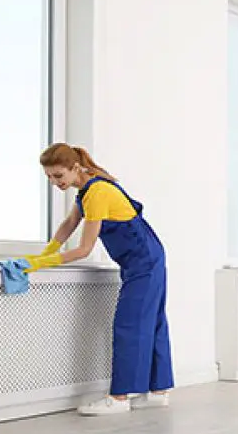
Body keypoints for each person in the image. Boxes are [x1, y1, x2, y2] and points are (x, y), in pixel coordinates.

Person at [24, 143, 173, 416]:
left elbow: (84, 249)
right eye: (49, 177)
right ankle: (158, 392)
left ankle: (118, 398)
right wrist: (45, 252)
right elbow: (69, 225)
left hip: (144, 261)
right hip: (147, 258)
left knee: (129, 325)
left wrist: (39, 264)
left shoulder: (98, 193)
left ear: (75, 168)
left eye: (58, 176)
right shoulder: (85, 192)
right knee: (151, 322)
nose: (55, 182)